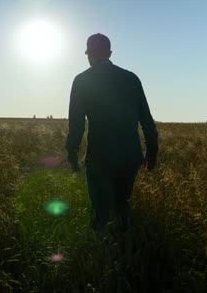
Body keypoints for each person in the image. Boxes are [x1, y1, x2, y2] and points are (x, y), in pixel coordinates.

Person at [66, 33, 159, 231]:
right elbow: (146, 120)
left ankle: (107, 253)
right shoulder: (131, 78)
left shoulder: (82, 80)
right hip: (130, 157)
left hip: (100, 158)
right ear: (109, 53)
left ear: (89, 55)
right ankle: (129, 248)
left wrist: (72, 153)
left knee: (101, 212)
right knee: (121, 204)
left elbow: (76, 124)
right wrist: (152, 151)